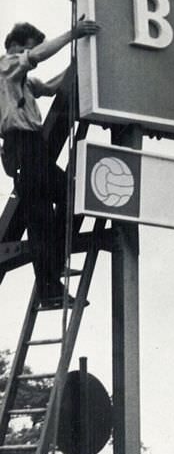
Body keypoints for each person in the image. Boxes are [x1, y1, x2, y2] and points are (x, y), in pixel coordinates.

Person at [0, 17, 99, 308]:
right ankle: (49, 288)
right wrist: (72, 33)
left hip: (33, 148)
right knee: (41, 217)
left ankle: (53, 271)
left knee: (72, 197)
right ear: (18, 45)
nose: (37, 56)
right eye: (34, 47)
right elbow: (36, 56)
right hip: (22, 147)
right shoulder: (6, 65)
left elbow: (51, 87)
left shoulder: (22, 81)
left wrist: (78, 58)